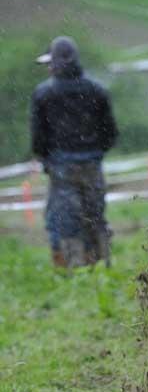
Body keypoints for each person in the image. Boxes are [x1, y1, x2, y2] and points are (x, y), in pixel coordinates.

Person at [31, 36, 118, 267]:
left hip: (60, 165)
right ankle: (101, 263)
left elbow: (38, 137)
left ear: (55, 64)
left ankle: (74, 268)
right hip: (91, 162)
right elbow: (110, 132)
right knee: (95, 214)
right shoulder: (97, 90)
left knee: (66, 219)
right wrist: (95, 151)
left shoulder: (43, 94)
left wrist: (46, 158)